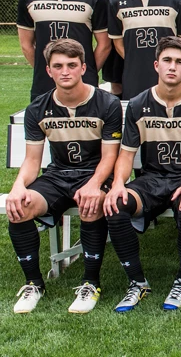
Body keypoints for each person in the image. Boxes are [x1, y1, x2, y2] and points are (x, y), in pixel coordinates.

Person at [7, 39, 121, 314]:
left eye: (72, 65)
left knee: (91, 204)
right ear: (48, 71)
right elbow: (32, 161)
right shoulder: (38, 109)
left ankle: (90, 284)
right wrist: (18, 186)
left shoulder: (106, 103)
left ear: (84, 67)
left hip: (96, 174)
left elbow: (110, 157)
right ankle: (34, 284)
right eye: (58, 66)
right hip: (58, 175)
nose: (65, 71)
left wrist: (95, 185)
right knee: (19, 208)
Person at [102, 37, 181, 312]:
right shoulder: (139, 104)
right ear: (156, 65)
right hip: (151, 179)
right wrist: (118, 184)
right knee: (115, 204)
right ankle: (137, 283)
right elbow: (126, 154)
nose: (172, 67)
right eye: (167, 61)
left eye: (179, 62)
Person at [18, 0, 110, 100]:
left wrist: (83, 72)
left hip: (84, 84)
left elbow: (104, 44)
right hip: (44, 85)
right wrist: (51, 71)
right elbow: (26, 45)